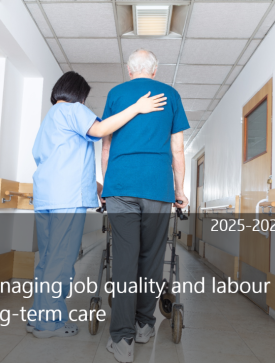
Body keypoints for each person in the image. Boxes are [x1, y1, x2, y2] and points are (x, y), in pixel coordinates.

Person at [28, 71, 167, 338]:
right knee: (61, 262)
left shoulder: (49, 119)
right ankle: (49, 324)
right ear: (77, 93)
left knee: (46, 261)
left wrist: (98, 187)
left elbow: (61, 161)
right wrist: (137, 107)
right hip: (66, 200)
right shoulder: (73, 109)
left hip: (46, 197)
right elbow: (101, 130)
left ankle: (37, 317)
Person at [101, 49, 190, 362]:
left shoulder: (115, 93)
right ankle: (143, 326)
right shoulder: (171, 95)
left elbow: (107, 143)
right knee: (151, 257)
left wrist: (106, 184)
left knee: (124, 260)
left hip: (121, 187)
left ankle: (121, 340)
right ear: (155, 71)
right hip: (157, 187)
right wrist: (180, 190)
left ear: (129, 70)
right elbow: (177, 150)